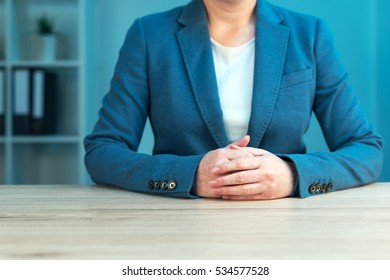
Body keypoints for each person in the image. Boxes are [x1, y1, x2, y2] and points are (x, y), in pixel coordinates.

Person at [84, 0, 383, 200]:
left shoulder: (310, 34)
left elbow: (367, 150)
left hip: (286, 225)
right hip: (178, 222)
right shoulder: (149, 35)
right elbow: (102, 153)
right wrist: (189, 175)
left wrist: (293, 174)